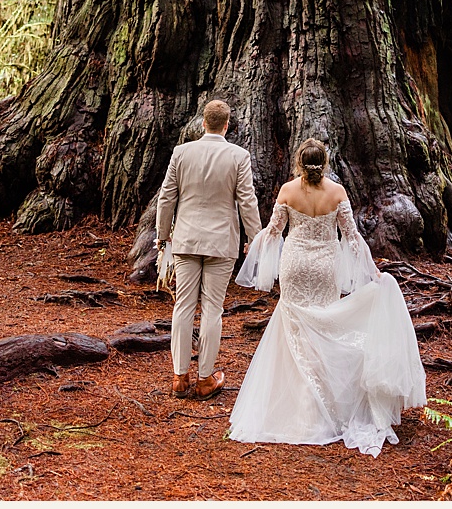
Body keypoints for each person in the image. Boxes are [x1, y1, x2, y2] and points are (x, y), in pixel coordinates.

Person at [230, 138, 427, 455]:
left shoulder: (287, 191)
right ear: (325, 163)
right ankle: (325, 403)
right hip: (324, 266)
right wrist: (372, 272)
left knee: (294, 329)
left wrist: (256, 246)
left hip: (294, 265)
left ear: (298, 162)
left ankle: (299, 406)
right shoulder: (337, 193)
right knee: (324, 328)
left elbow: (274, 230)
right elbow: (352, 236)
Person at [153, 99, 265, 400]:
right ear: (226, 125)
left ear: (203, 123)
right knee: (213, 308)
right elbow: (247, 200)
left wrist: (163, 236)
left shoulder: (182, 152)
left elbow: (167, 198)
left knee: (183, 306)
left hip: (186, 240)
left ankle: (179, 376)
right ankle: (204, 379)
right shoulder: (239, 156)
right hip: (221, 243)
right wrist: (256, 239)